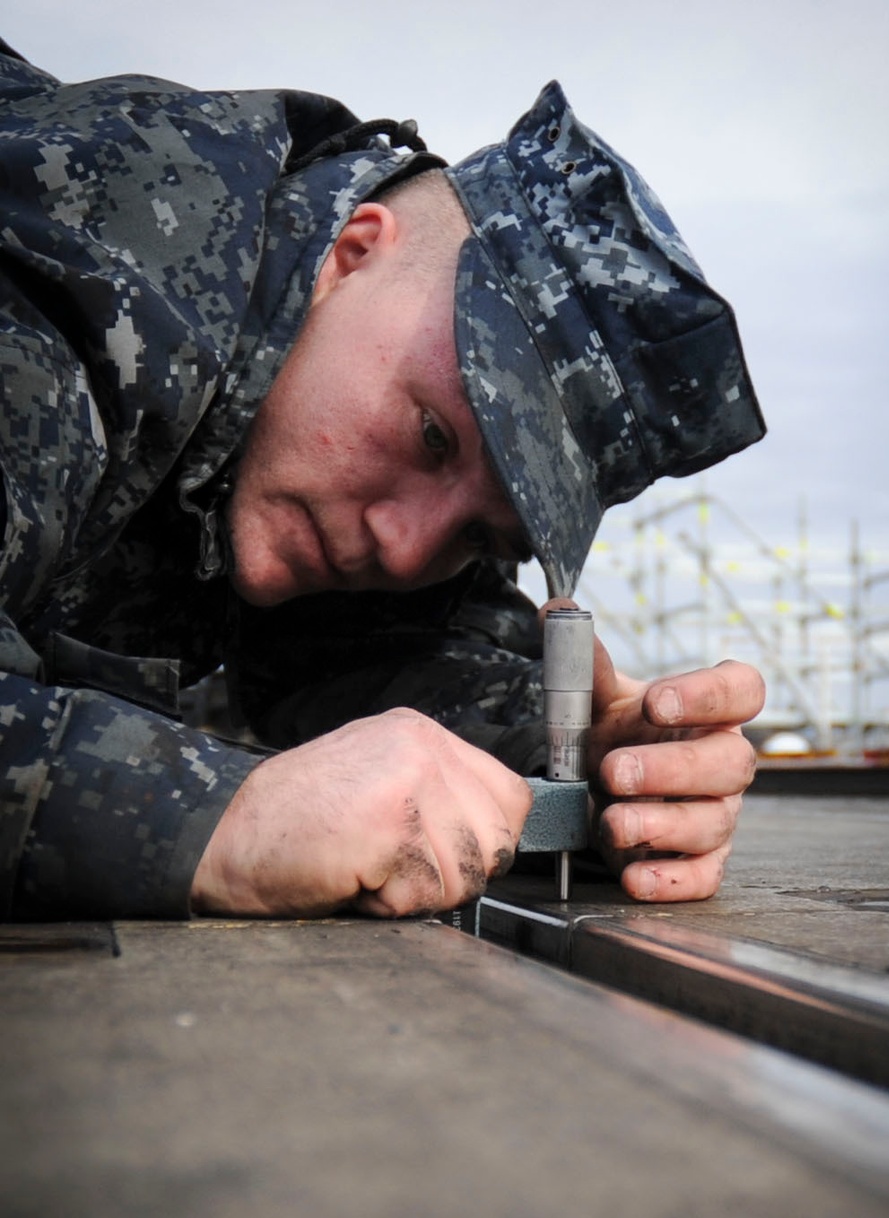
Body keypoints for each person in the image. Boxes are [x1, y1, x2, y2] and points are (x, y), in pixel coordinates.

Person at [0, 40, 767, 924]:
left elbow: (366, 654)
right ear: (353, 251)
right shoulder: (94, 254)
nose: (406, 545)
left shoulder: (295, 409)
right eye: (433, 435)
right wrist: (215, 819)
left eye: (482, 535)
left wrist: (600, 771)